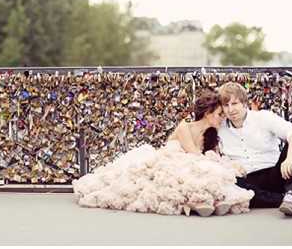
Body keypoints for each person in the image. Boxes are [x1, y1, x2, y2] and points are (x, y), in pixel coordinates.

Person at [73, 90, 255, 217]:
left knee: (207, 170)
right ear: (207, 113)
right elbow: (192, 154)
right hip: (167, 165)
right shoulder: (185, 127)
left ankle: (206, 202)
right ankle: (193, 203)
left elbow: (209, 157)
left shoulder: (211, 136)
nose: (223, 118)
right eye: (219, 114)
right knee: (195, 169)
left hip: (187, 166)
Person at [216, 82, 292, 217]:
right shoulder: (219, 128)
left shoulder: (263, 117)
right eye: (226, 105)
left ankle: (291, 193)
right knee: (233, 186)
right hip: (247, 181)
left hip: (275, 174)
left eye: (234, 104)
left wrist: (290, 159)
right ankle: (290, 199)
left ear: (244, 103)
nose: (230, 109)